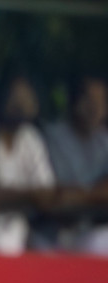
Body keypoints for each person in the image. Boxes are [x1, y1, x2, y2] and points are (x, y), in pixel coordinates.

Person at [0, 75, 55, 255]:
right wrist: (27, 196)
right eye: (15, 97)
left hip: (23, 240)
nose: (20, 105)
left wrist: (4, 197)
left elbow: (46, 194)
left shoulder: (31, 138)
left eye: (25, 97)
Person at [43, 75, 108, 253]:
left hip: (92, 229)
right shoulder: (54, 137)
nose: (95, 108)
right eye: (89, 100)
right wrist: (97, 193)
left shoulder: (104, 141)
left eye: (101, 101)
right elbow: (60, 193)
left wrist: (87, 195)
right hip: (56, 233)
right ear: (75, 101)